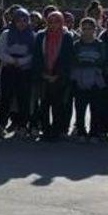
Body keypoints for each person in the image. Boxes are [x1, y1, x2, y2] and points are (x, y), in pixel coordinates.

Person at [32, 11, 75, 141]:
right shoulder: (41, 36)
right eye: (50, 22)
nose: (53, 24)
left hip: (59, 77)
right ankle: (45, 130)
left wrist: (58, 75)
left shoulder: (67, 37)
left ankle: (56, 131)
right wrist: (43, 73)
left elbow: (68, 59)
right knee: (44, 105)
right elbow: (37, 56)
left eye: (56, 22)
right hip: (43, 76)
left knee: (58, 105)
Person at [0, 8, 35, 134]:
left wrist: (21, 62)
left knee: (23, 98)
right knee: (6, 97)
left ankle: (22, 125)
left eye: (24, 20)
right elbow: (0, 52)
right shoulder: (6, 34)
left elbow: (33, 54)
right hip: (8, 68)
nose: (21, 23)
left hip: (24, 70)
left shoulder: (32, 35)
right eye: (19, 20)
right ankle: (1, 124)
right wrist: (13, 61)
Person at [70, 18, 107, 141]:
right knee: (80, 108)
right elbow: (74, 60)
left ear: (94, 29)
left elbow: (102, 61)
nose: (87, 31)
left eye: (89, 28)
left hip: (95, 81)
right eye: (84, 29)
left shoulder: (100, 44)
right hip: (80, 80)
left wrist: (89, 62)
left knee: (95, 108)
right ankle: (81, 131)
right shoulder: (76, 45)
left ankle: (94, 133)